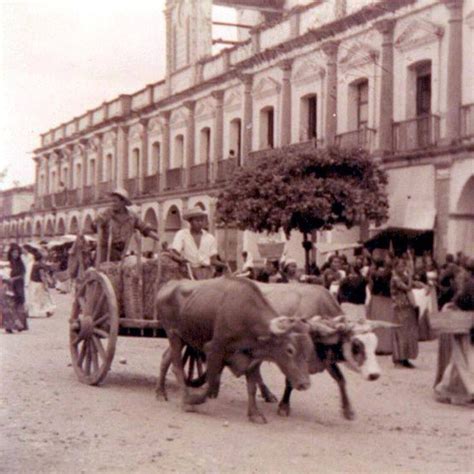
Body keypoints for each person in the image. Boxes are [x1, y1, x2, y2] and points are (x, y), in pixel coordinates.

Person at [92, 188, 160, 263]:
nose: (113, 204)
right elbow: (94, 227)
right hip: (105, 253)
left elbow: (145, 229)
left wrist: (158, 238)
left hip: (121, 253)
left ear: (123, 202)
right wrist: (96, 223)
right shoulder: (107, 214)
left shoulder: (132, 217)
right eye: (112, 201)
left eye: (115, 201)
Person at [170, 206, 226, 280]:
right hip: (189, 272)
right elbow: (174, 252)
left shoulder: (210, 238)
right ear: (190, 221)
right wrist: (180, 260)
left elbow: (213, 260)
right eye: (197, 220)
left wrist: (224, 265)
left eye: (201, 220)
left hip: (207, 272)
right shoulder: (182, 234)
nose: (200, 223)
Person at [390, 258, 419, 368]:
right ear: (395, 267)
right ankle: (399, 359)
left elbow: (413, 284)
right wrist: (411, 276)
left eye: (403, 266)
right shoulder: (395, 278)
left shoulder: (403, 277)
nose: (402, 268)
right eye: (400, 266)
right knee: (400, 333)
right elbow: (408, 288)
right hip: (399, 307)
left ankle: (405, 358)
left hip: (406, 307)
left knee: (407, 333)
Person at [6, 244, 28, 331]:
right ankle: (9, 326)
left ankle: (20, 325)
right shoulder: (8, 262)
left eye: (17, 253)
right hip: (8, 286)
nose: (15, 254)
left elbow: (23, 274)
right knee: (9, 305)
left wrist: (13, 278)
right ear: (10, 253)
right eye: (14, 253)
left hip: (18, 285)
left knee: (19, 303)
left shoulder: (20, 262)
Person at [28, 250, 56, 318]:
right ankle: (48, 310)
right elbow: (42, 275)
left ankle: (34, 312)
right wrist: (45, 284)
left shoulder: (34, 264)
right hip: (39, 283)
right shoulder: (40, 265)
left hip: (33, 283)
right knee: (43, 297)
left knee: (34, 298)